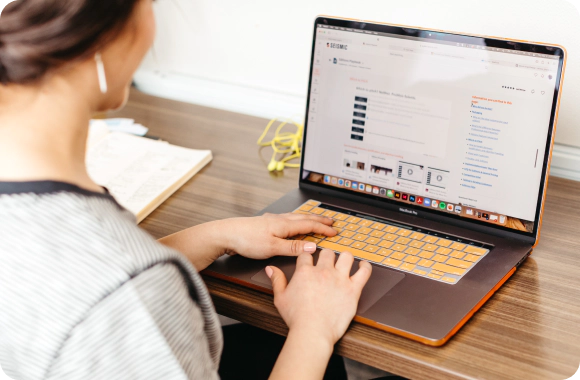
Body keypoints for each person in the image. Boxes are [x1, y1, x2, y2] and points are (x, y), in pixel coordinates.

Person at [0, 1, 372, 379]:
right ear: (104, 35)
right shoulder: (125, 296)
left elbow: (73, 282)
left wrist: (215, 236)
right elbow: (113, 290)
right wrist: (315, 327)